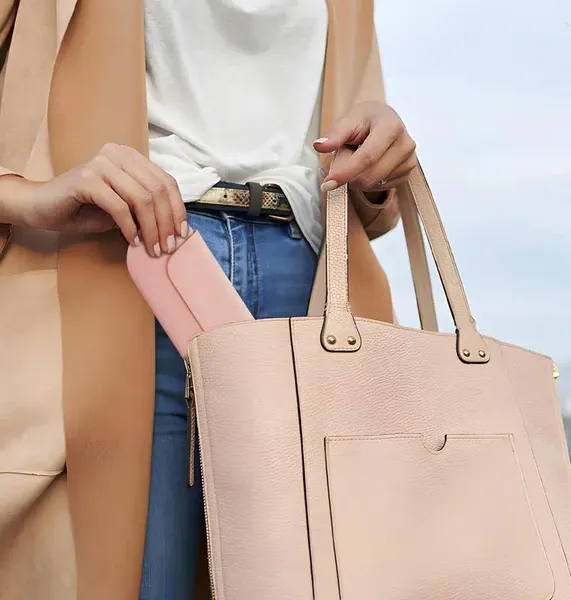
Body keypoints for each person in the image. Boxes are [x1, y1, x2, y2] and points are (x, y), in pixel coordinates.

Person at [0, 0, 417, 598]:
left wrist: (382, 155)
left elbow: (370, 198)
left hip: (310, 281)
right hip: (123, 270)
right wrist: (29, 196)